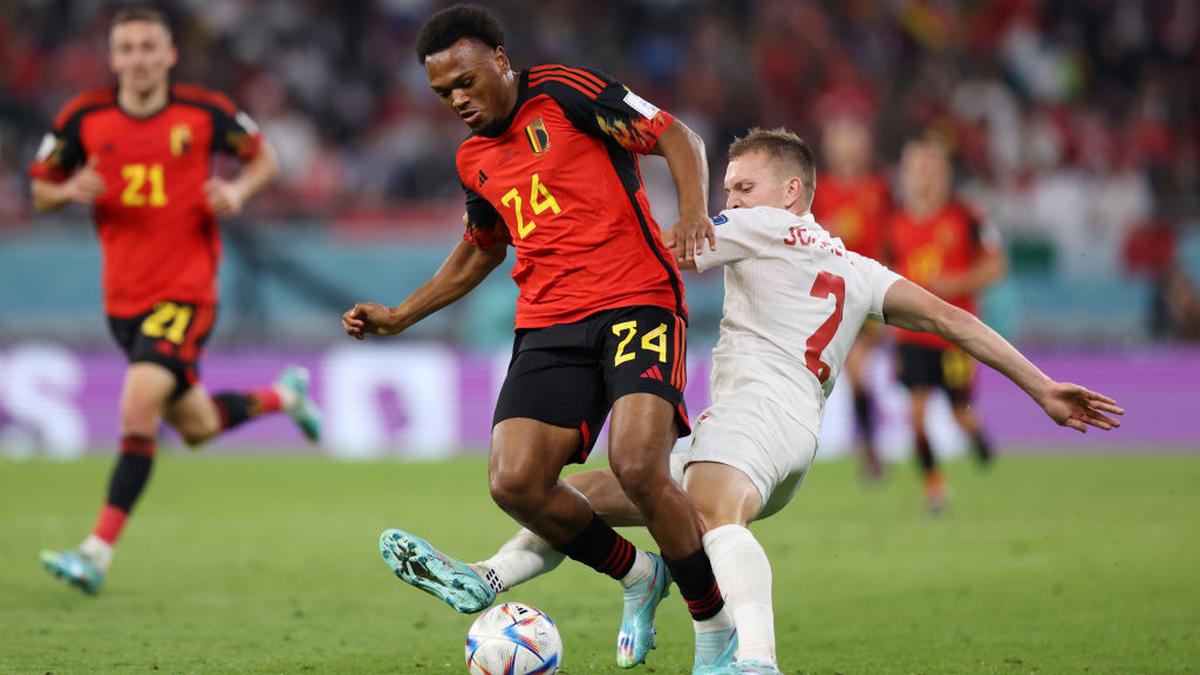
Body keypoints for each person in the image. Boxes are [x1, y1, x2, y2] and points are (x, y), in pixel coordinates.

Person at [370, 127, 1123, 675]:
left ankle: (754, 659)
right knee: (591, 492)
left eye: (741, 185)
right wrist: (1041, 386)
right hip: (791, 435)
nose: (725, 199)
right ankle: (491, 574)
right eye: (727, 188)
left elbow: (662, 247)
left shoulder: (762, 226)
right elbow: (954, 320)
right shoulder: (858, 268)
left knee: (705, 515)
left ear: (791, 192)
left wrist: (565, 239)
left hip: (757, 412)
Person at [340, 5, 733, 672]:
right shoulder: (473, 159)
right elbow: (480, 249)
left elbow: (677, 136)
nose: (458, 101)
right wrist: (402, 315)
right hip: (549, 322)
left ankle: (716, 630)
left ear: (500, 57)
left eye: (466, 82)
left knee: (639, 465)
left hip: (637, 299)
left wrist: (693, 208)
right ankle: (638, 573)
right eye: (444, 94)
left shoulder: (566, 92)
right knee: (515, 480)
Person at [29, 6, 321, 595]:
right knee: (197, 425)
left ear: (169, 55)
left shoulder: (204, 110)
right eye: (127, 49)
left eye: (147, 48)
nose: (137, 59)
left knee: (137, 411)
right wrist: (66, 190)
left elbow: (265, 159)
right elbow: (39, 191)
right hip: (123, 299)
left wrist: (237, 189)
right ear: (113, 58)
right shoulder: (82, 117)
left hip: (186, 291)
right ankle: (285, 395)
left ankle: (95, 553)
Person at [884, 135, 1007, 511]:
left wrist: (956, 284)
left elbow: (996, 266)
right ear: (904, 174)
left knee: (959, 415)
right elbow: (883, 271)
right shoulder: (894, 224)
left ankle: (979, 438)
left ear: (944, 172)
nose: (922, 177)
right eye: (915, 169)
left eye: (930, 168)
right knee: (917, 415)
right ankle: (935, 488)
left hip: (956, 336)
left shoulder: (967, 217)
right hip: (912, 333)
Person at [810, 115, 893, 479]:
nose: (849, 148)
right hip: (829, 298)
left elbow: (892, 237)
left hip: (867, 292)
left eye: (854, 140)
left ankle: (870, 451)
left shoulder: (879, 188)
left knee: (859, 374)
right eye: (842, 140)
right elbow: (803, 236)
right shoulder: (819, 189)